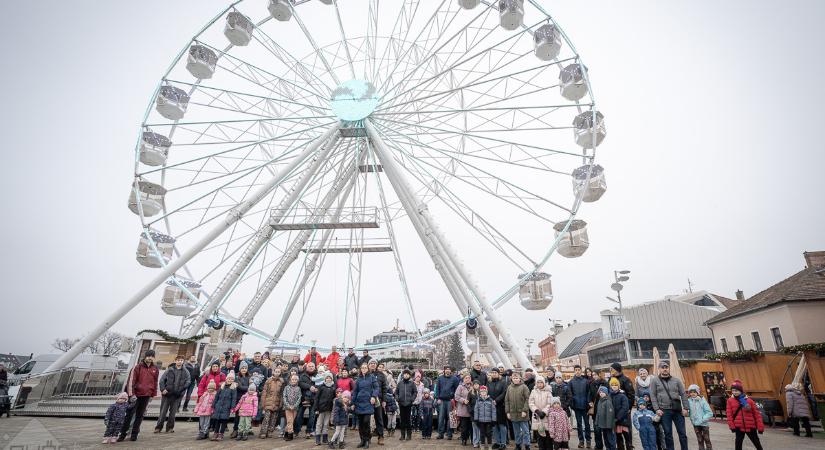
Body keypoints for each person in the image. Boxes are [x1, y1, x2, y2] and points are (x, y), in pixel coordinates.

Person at [118, 349, 159, 442]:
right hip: (136, 395)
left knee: (140, 416)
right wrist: (131, 394)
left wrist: (153, 394)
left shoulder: (155, 369)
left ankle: (134, 435)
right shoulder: (137, 367)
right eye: (148, 356)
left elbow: (155, 382)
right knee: (129, 415)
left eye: (152, 356)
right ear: (145, 357)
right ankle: (122, 434)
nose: (150, 358)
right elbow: (131, 381)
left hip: (146, 395)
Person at [649, 361, 688, 450]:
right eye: (662, 367)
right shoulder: (655, 381)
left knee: (682, 433)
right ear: (659, 369)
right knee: (668, 434)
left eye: (666, 367)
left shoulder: (676, 380)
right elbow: (653, 395)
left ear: (668, 368)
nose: (665, 369)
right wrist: (657, 409)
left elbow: (683, 394)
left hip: (677, 410)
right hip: (664, 411)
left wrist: (686, 408)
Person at [155, 355, 190, 433]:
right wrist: (163, 389)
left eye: (181, 360)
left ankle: (170, 428)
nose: (179, 361)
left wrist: (181, 391)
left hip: (177, 395)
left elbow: (188, 382)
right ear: (175, 361)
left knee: (173, 413)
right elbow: (162, 380)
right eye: (178, 360)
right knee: (163, 412)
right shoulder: (169, 370)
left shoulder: (186, 371)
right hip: (167, 394)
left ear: (183, 361)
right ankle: (158, 427)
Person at [726, 380, 764, 450]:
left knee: (757, 443)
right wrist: (732, 426)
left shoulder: (749, 401)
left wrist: (760, 427)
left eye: (736, 390)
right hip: (738, 426)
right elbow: (729, 415)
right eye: (733, 390)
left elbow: (757, 415)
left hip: (751, 426)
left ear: (741, 391)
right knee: (738, 444)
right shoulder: (730, 401)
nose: (734, 392)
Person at [353, 363, 380, 448]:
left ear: (368, 369)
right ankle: (362, 441)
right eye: (362, 368)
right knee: (360, 424)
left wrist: (374, 396)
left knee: (366, 422)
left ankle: (367, 440)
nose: (364, 369)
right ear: (360, 369)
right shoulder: (358, 379)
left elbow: (376, 388)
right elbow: (355, 392)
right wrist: (353, 403)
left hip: (368, 402)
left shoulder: (372, 377)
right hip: (359, 403)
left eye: (365, 368)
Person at [608, 363, 634, 448]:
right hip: (615, 412)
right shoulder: (611, 379)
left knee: (627, 431)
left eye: (612, 369)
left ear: (617, 369)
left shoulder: (626, 379)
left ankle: (629, 446)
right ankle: (620, 447)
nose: (610, 371)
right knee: (617, 433)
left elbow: (631, 395)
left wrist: (629, 408)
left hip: (625, 410)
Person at [506, 371, 531, 450]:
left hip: (523, 413)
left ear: (520, 378)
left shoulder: (524, 387)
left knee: (525, 431)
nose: (515, 379)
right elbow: (507, 400)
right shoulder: (509, 388)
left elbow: (528, 399)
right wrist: (508, 412)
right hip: (513, 413)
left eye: (517, 378)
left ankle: (527, 445)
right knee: (516, 431)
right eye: (514, 378)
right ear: (512, 379)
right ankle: (518, 445)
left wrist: (525, 410)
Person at [569, 365, 592, 449]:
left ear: (581, 371)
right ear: (574, 371)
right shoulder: (571, 382)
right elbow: (570, 394)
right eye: (576, 370)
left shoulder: (585, 381)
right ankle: (581, 441)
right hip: (577, 407)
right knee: (579, 425)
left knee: (587, 424)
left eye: (579, 370)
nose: (577, 371)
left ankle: (588, 441)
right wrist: (572, 405)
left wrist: (588, 403)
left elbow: (588, 393)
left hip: (585, 406)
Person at [211, 373, 238, 442]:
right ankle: (215, 433)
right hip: (218, 406)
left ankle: (221, 434)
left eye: (232, 379)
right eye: (229, 378)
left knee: (224, 421)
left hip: (226, 407)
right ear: (226, 379)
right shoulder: (222, 387)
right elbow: (216, 397)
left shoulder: (233, 388)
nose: (230, 380)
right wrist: (213, 405)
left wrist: (232, 407)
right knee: (217, 421)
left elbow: (234, 399)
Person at [528, 375, 553, 450]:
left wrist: (544, 412)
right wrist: (537, 411)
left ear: (544, 383)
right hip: (537, 416)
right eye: (538, 382)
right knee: (540, 437)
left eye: (541, 382)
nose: (539, 384)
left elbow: (550, 403)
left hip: (546, 416)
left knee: (548, 437)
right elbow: (531, 403)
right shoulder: (533, 391)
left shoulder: (548, 392)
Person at [487, 368, 509, 449]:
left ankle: (503, 443)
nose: (494, 374)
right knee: (494, 425)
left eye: (495, 372)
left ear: (498, 373)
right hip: (491, 406)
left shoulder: (503, 382)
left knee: (502, 425)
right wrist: (490, 400)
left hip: (500, 406)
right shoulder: (488, 382)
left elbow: (504, 392)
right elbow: (486, 392)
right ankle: (497, 442)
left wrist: (496, 400)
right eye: (492, 372)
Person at [435, 366, 460, 440]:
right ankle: (440, 434)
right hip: (442, 400)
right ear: (444, 370)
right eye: (446, 369)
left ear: (451, 371)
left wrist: (454, 400)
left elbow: (457, 390)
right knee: (441, 418)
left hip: (450, 400)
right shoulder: (440, 378)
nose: (447, 371)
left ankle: (449, 434)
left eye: (449, 369)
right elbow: (437, 389)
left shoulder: (455, 379)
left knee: (450, 418)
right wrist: (438, 398)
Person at [685, 384, 712, 450]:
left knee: (707, 438)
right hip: (695, 424)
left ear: (698, 392)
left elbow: (709, 412)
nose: (692, 394)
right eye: (691, 392)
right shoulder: (689, 401)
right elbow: (688, 412)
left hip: (704, 423)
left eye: (694, 392)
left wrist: (703, 419)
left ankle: (709, 448)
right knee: (699, 439)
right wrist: (687, 413)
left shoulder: (702, 400)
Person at [259, 368, 284, 439]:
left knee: (274, 419)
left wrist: (280, 403)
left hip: (277, 402)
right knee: (266, 418)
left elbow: (281, 394)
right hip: (268, 402)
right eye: (276, 371)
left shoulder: (282, 382)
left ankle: (270, 431)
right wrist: (263, 403)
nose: (277, 373)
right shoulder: (268, 381)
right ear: (273, 372)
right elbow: (264, 392)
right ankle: (263, 432)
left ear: (280, 373)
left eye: (278, 372)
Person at [298, 361, 320, 439]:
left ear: (315, 367)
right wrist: (309, 387)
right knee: (299, 415)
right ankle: (297, 430)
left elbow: (320, 384)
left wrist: (316, 388)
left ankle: (309, 431)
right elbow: (300, 383)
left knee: (312, 416)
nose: (311, 367)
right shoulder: (303, 375)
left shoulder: (318, 375)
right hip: (303, 398)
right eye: (309, 366)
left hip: (314, 399)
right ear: (306, 367)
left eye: (312, 366)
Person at [367, 360, 387, 445]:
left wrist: (384, 400)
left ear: (376, 365)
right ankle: (367, 437)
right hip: (366, 400)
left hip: (378, 399)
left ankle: (381, 436)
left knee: (379, 418)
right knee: (366, 419)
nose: (372, 365)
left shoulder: (381, 375)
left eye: (374, 363)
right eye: (371, 363)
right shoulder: (365, 374)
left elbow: (384, 388)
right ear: (369, 365)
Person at [315, 373, 338, 445]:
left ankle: (325, 438)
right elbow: (317, 398)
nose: (328, 379)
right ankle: (318, 439)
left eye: (330, 378)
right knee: (319, 424)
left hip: (329, 408)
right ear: (325, 379)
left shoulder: (333, 388)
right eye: (327, 378)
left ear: (331, 379)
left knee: (326, 424)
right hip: (321, 408)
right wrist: (316, 408)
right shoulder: (321, 387)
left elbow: (334, 398)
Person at [396, 368, 417, 441]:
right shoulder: (400, 383)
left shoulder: (412, 383)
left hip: (408, 404)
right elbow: (396, 392)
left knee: (408, 420)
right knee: (402, 420)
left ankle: (409, 435)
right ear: (403, 375)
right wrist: (397, 398)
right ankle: (402, 435)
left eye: (407, 374)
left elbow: (415, 392)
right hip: (401, 404)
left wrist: (412, 399)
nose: (406, 375)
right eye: (405, 374)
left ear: (409, 375)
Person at [608, 378, 629, 450]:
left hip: (623, 420)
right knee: (618, 437)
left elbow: (625, 408)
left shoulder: (622, 395)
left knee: (627, 437)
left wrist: (618, 417)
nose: (614, 386)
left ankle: (629, 448)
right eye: (612, 385)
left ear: (618, 386)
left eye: (616, 385)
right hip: (615, 421)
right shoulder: (609, 396)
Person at [588, 372, 606, 450]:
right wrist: (589, 401)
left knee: (605, 430)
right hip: (595, 410)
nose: (594, 376)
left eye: (596, 374)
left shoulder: (605, 383)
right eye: (593, 375)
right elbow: (589, 395)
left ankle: (608, 445)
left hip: (604, 409)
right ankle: (598, 446)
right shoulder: (592, 384)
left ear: (599, 375)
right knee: (597, 430)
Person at [475, 385, 496, 450]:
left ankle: (490, 444)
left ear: (487, 392)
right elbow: (476, 410)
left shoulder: (490, 400)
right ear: (480, 393)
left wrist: (493, 419)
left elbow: (493, 410)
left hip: (489, 420)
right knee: (482, 433)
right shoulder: (478, 400)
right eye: (482, 391)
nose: (483, 393)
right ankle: (482, 444)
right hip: (481, 420)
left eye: (484, 391)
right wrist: (476, 419)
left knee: (489, 433)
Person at [455, 373, 474, 445]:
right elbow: (456, 396)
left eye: (469, 378)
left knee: (472, 427)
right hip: (463, 409)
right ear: (463, 379)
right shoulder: (460, 387)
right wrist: (463, 400)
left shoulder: (473, 386)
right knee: (464, 427)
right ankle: (464, 439)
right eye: (466, 378)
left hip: (472, 410)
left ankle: (473, 440)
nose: (467, 379)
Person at [282, 373, 302, 441]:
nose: (294, 381)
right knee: (290, 421)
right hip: (288, 408)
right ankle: (290, 434)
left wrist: (295, 405)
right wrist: (288, 405)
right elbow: (284, 397)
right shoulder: (286, 387)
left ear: (297, 381)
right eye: (293, 379)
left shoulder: (298, 388)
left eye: (295, 379)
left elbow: (299, 398)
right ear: (290, 380)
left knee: (291, 421)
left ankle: (286, 432)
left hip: (295, 408)